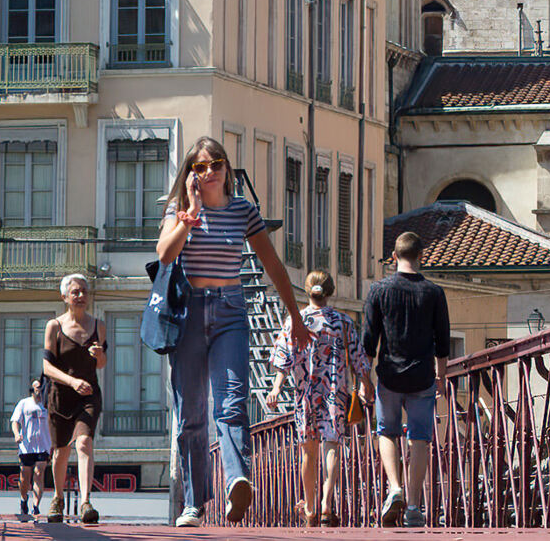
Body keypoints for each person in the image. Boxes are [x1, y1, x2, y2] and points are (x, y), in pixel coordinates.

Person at [157, 136, 312, 528]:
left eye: (217, 164)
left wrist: (294, 315)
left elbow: (272, 264)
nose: (210, 172)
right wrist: (190, 215)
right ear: (191, 174)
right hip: (189, 313)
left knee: (231, 403)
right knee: (191, 413)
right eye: (200, 166)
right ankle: (193, 504)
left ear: (227, 169)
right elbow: (164, 254)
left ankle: (237, 480)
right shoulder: (180, 210)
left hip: (230, 312)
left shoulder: (243, 210)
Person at [267, 270, 374, 527]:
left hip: (306, 394)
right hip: (334, 392)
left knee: (308, 452)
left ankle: (311, 506)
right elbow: (359, 358)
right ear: (330, 291)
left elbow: (284, 358)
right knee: (332, 445)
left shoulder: (296, 320)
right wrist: (365, 384)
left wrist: (277, 387)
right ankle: (327, 503)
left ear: (307, 290)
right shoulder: (343, 322)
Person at [362, 231, 450, 528]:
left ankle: (394, 487)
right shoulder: (434, 292)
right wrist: (442, 376)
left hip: (389, 375)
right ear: (421, 256)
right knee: (420, 439)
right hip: (423, 376)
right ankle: (413, 506)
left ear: (394, 257)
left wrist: (364, 380)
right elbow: (443, 340)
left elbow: (368, 341)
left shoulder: (379, 290)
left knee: (386, 431)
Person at [41, 273, 106, 524]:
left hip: (88, 396)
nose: (80, 296)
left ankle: (85, 501)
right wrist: (71, 381)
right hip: (60, 397)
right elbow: (47, 368)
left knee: (83, 443)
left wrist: (99, 354)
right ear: (65, 297)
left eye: (84, 292)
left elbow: (101, 364)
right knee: (61, 451)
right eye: (75, 292)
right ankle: (57, 498)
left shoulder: (98, 326)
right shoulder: (54, 326)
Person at [10, 378, 52, 518]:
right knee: (24, 476)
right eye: (36, 388)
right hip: (27, 446)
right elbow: (15, 421)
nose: (39, 390)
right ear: (32, 390)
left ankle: (36, 506)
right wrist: (17, 434)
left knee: (39, 474)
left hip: (43, 446)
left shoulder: (48, 405)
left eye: (41, 388)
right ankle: (24, 499)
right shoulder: (24, 403)